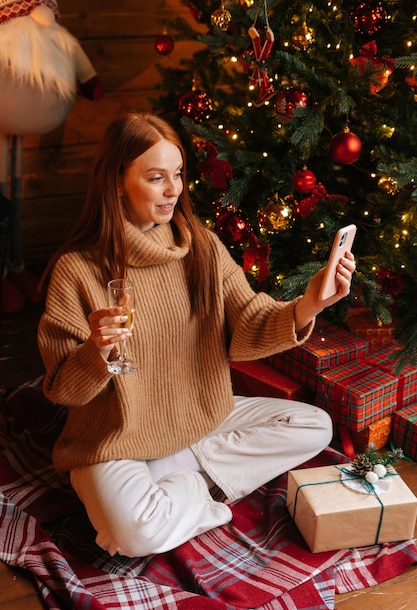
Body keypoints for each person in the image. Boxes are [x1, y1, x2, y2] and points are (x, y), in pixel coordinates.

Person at [38, 111, 356, 558]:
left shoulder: (200, 245)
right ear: (115, 182)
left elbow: (248, 322)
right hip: (113, 437)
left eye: (179, 174)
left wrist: (311, 304)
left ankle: (172, 477)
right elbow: (61, 391)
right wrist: (97, 352)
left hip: (199, 417)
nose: (174, 190)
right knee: (134, 536)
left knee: (314, 425)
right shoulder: (77, 269)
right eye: (155, 178)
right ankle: (202, 492)